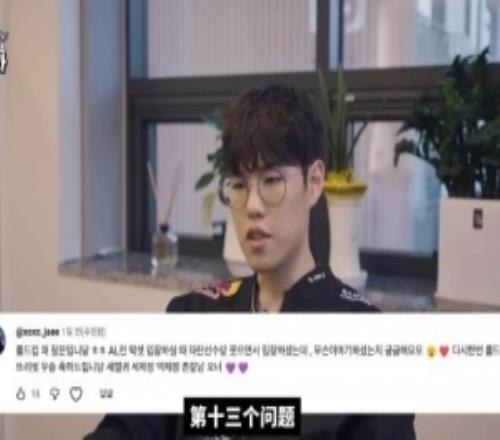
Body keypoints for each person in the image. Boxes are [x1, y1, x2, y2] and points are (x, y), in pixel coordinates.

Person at [85, 85, 415, 439]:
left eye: (271, 181)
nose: (253, 206)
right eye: (239, 185)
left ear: (314, 182)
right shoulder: (191, 316)